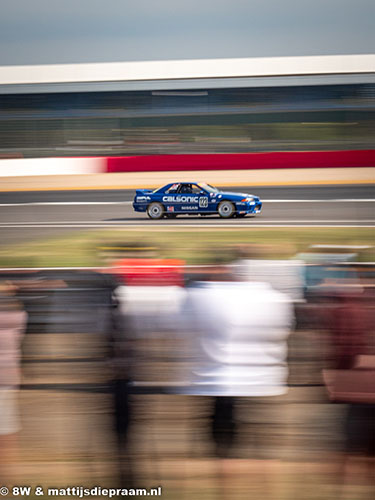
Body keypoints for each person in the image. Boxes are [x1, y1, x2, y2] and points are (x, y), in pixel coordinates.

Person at [0, 281, 27, 482]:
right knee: (7, 434)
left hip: (7, 379)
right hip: (8, 379)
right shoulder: (19, 318)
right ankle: (9, 479)